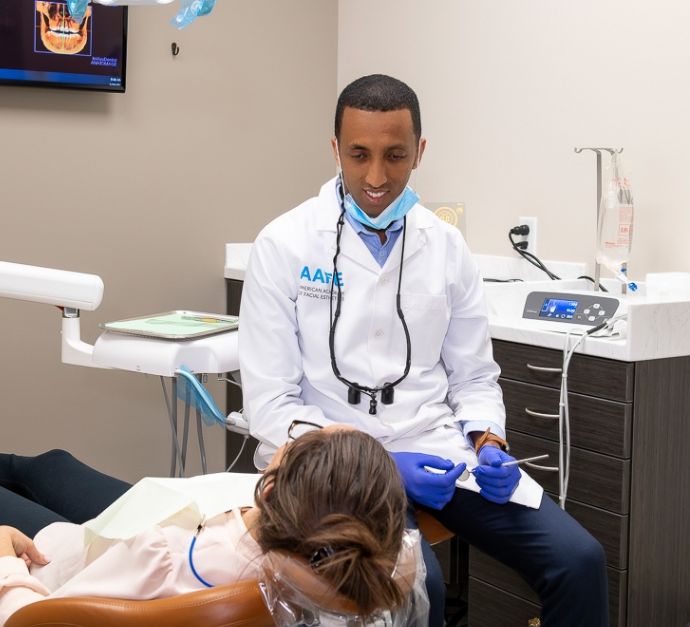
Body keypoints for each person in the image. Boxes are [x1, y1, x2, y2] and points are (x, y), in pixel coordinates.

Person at [239, 73, 609, 626]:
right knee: (418, 587)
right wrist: (378, 464)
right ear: (335, 148)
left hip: (438, 454)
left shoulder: (445, 245)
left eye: (395, 155)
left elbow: (474, 376)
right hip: (333, 469)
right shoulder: (284, 244)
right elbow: (270, 404)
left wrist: (488, 440)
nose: (376, 176)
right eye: (359, 154)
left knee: (581, 561)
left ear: (420, 152)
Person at [0, 429, 427, 626]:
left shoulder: (163, 558)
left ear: (270, 488)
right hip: (153, 527)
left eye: (297, 439)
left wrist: (6, 565)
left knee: (24, 489)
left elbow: (29, 622)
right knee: (53, 466)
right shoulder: (365, 569)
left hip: (50, 567)